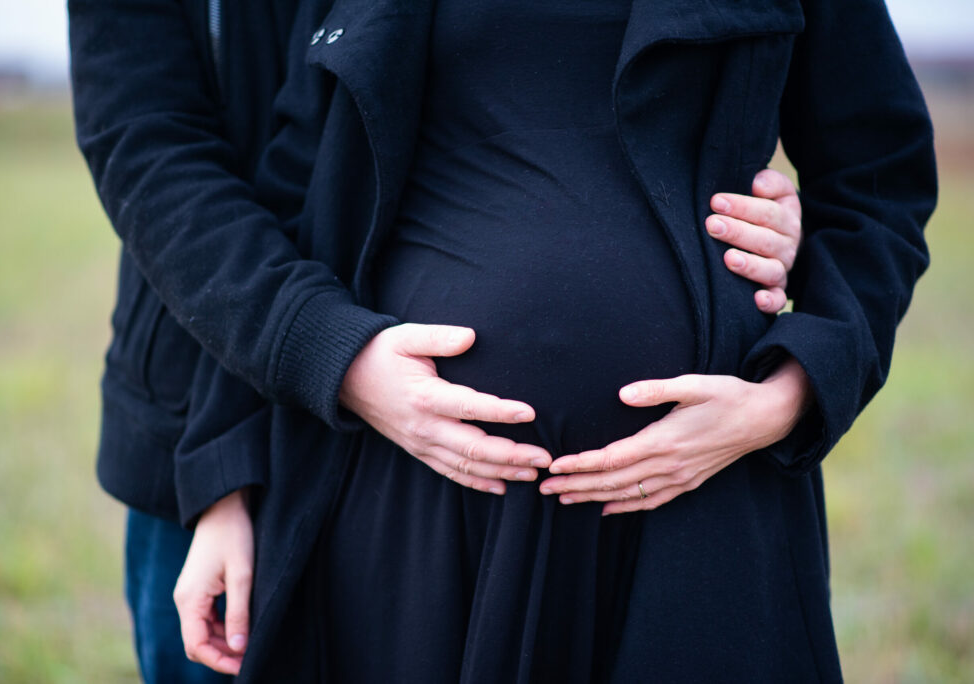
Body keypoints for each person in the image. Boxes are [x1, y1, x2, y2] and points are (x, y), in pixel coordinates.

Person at [157, 0, 933, 680]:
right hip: (415, 501)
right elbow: (296, 202)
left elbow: (878, 178)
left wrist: (788, 397)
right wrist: (224, 478)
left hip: (705, 500)